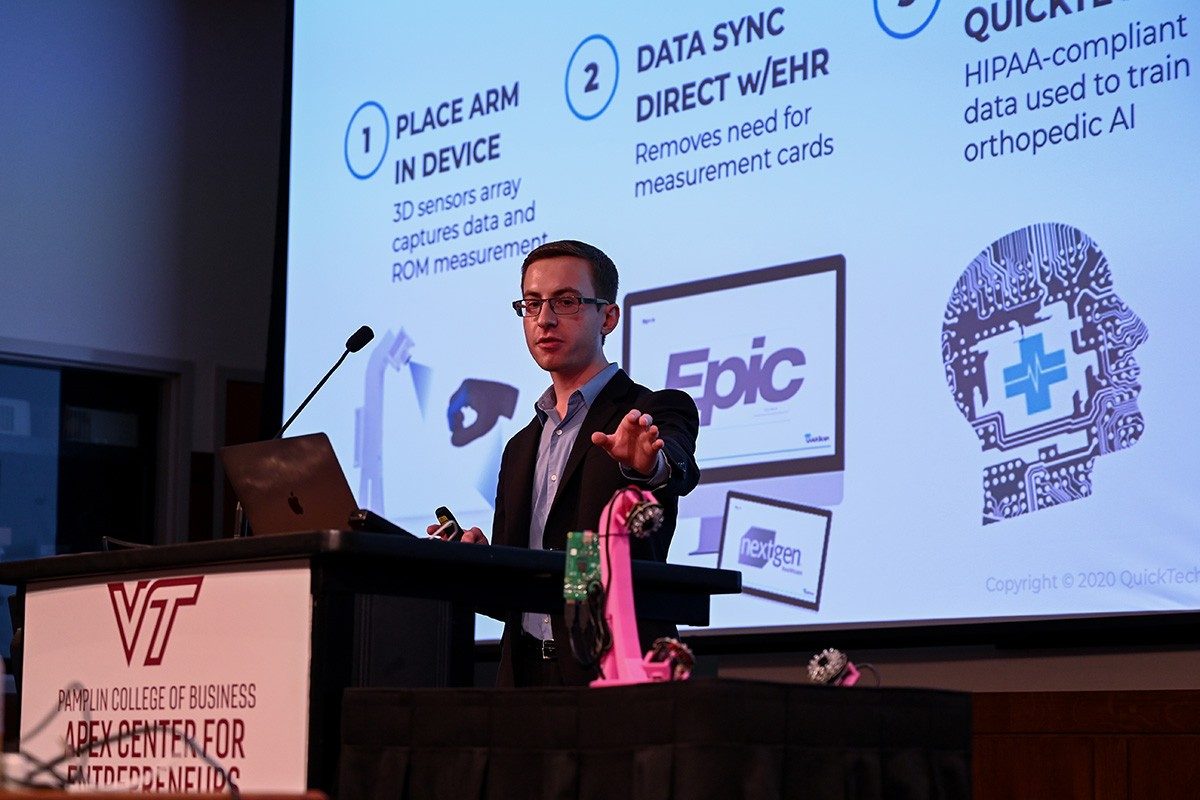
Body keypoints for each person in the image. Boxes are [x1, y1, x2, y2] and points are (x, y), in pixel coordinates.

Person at [430, 239, 700, 686]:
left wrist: (646, 466)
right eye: (532, 304)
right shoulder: (519, 447)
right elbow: (513, 595)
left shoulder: (653, 410)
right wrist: (478, 564)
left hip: (614, 675)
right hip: (522, 679)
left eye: (566, 302)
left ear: (608, 317)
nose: (545, 319)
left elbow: (676, 467)